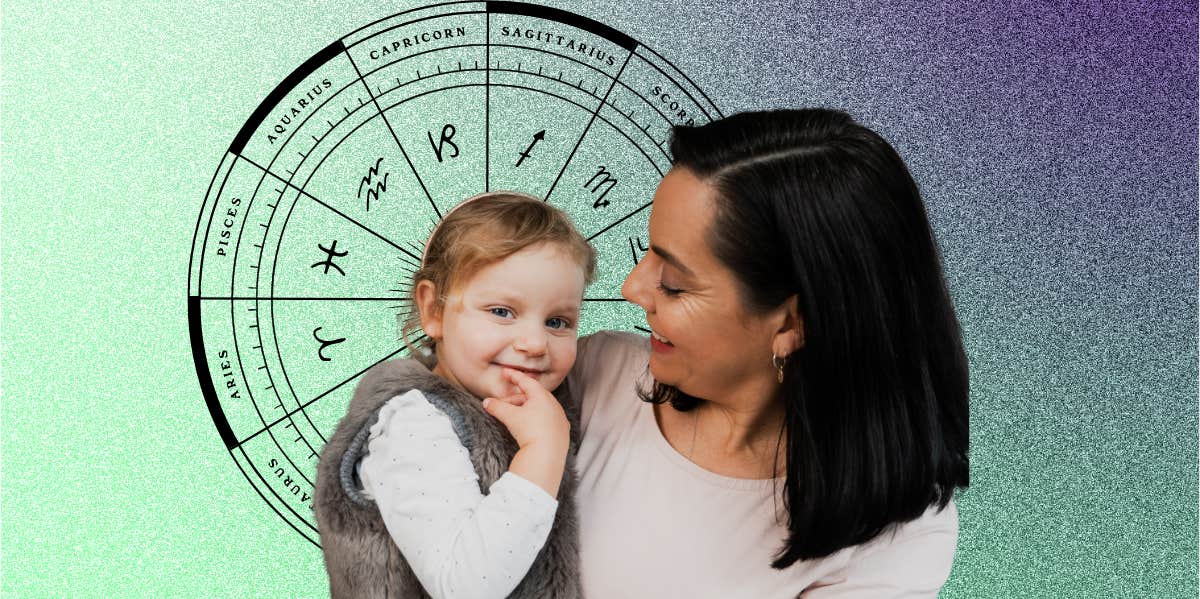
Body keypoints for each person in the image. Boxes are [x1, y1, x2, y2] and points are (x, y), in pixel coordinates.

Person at [545, 108, 971, 597]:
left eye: (676, 285)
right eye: (648, 252)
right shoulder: (592, 375)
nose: (633, 287)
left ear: (792, 323)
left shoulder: (893, 541)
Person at [314, 191, 596, 599]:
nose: (535, 343)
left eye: (558, 321)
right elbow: (466, 587)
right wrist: (544, 450)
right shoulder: (411, 424)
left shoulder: (541, 410)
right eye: (502, 311)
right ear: (433, 310)